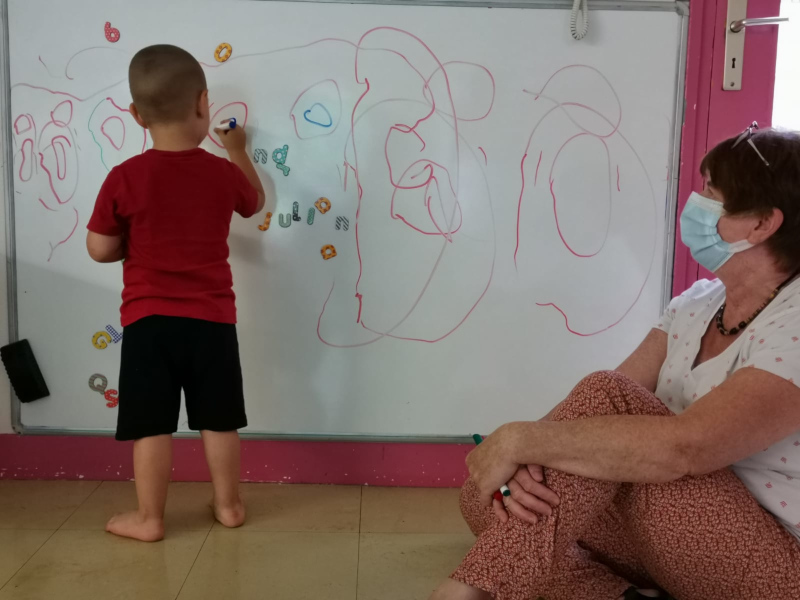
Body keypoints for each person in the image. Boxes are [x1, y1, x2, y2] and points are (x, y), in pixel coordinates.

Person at [431, 126, 800, 599]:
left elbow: (686, 448)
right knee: (491, 499)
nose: (695, 202)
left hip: (771, 563)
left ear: (762, 224)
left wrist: (519, 439)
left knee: (598, 410)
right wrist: (521, 464)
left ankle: (469, 591)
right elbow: (594, 420)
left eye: (712, 192)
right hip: (674, 537)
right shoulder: (699, 303)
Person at [86, 44, 270, 542]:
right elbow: (254, 204)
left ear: (135, 115)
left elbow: (99, 249)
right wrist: (235, 149)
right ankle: (229, 505)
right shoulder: (219, 172)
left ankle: (149, 519)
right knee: (219, 419)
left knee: (151, 425)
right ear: (203, 104)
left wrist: (132, 243)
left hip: (148, 323)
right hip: (212, 321)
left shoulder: (124, 177)